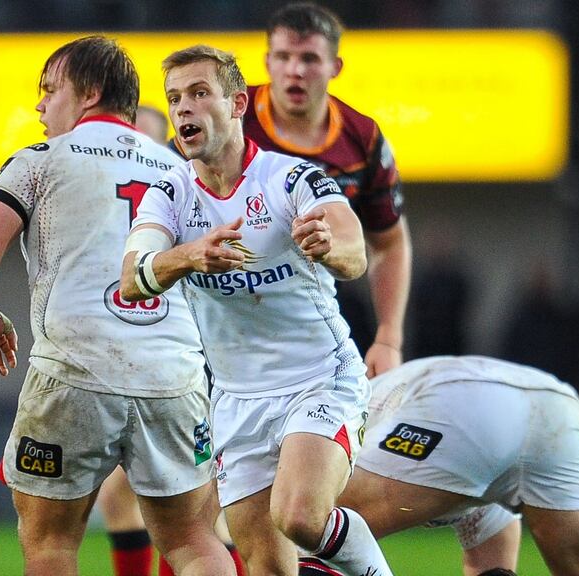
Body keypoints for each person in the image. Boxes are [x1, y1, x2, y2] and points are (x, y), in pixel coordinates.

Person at [0, 36, 235, 576]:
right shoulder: (181, 172)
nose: (40, 105)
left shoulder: (41, 160)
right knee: (194, 541)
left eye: (50, 89)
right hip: (173, 377)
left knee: (52, 543)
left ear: (90, 93)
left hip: (75, 371)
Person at [121, 44, 392, 575]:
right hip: (235, 399)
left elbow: (354, 251)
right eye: (175, 98)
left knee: (300, 517)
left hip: (319, 380)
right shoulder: (167, 195)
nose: (183, 108)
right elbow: (132, 278)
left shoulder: (290, 179)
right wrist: (189, 255)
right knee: (267, 565)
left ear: (238, 103)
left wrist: (327, 247)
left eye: (200, 93)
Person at [94, 104, 246, 576]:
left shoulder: (189, 198)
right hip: (134, 364)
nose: (133, 150)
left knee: (195, 516)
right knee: (133, 500)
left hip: (192, 366)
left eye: (147, 140)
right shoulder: (107, 204)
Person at [333, 355, 579, 576]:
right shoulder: (489, 491)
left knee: (318, 529)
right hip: (556, 403)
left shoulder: (332, 425)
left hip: (461, 401)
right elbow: (490, 562)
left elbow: (316, 530)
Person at [243, 2, 411, 377]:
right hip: (229, 306)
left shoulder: (362, 138)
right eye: (284, 57)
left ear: (335, 67)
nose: (295, 70)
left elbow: (389, 244)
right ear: (267, 62)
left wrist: (388, 340)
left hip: (320, 311)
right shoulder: (232, 118)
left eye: (309, 58)